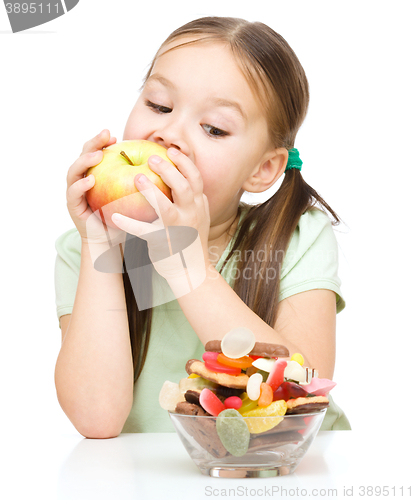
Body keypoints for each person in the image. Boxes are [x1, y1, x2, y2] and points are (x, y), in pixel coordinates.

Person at [54, 16, 351, 438]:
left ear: (263, 169)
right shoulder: (84, 247)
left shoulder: (299, 238)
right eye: (158, 105)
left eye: (213, 128)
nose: (168, 133)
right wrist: (100, 247)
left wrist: (188, 268)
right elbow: (96, 418)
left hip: (283, 472)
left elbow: (300, 395)